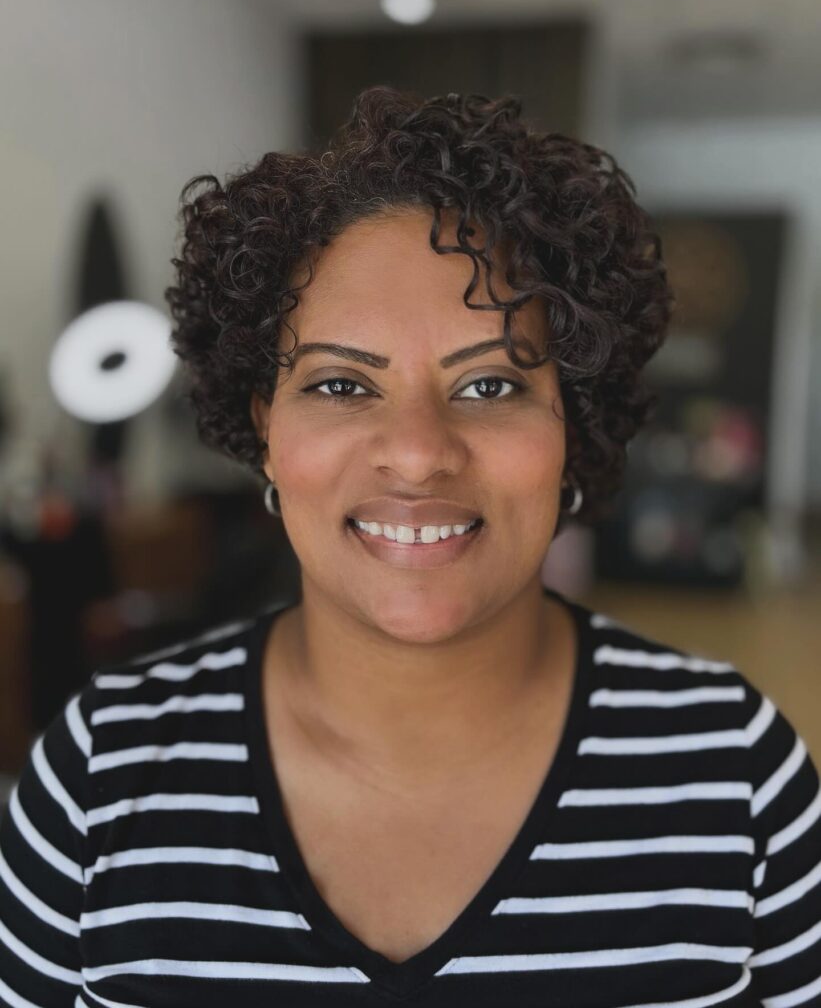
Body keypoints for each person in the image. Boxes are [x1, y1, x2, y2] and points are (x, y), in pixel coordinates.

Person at [1, 86, 819, 1008]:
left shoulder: (735, 770)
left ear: (572, 422)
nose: (420, 452)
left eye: (490, 386)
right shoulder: (100, 774)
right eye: (342, 385)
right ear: (266, 428)